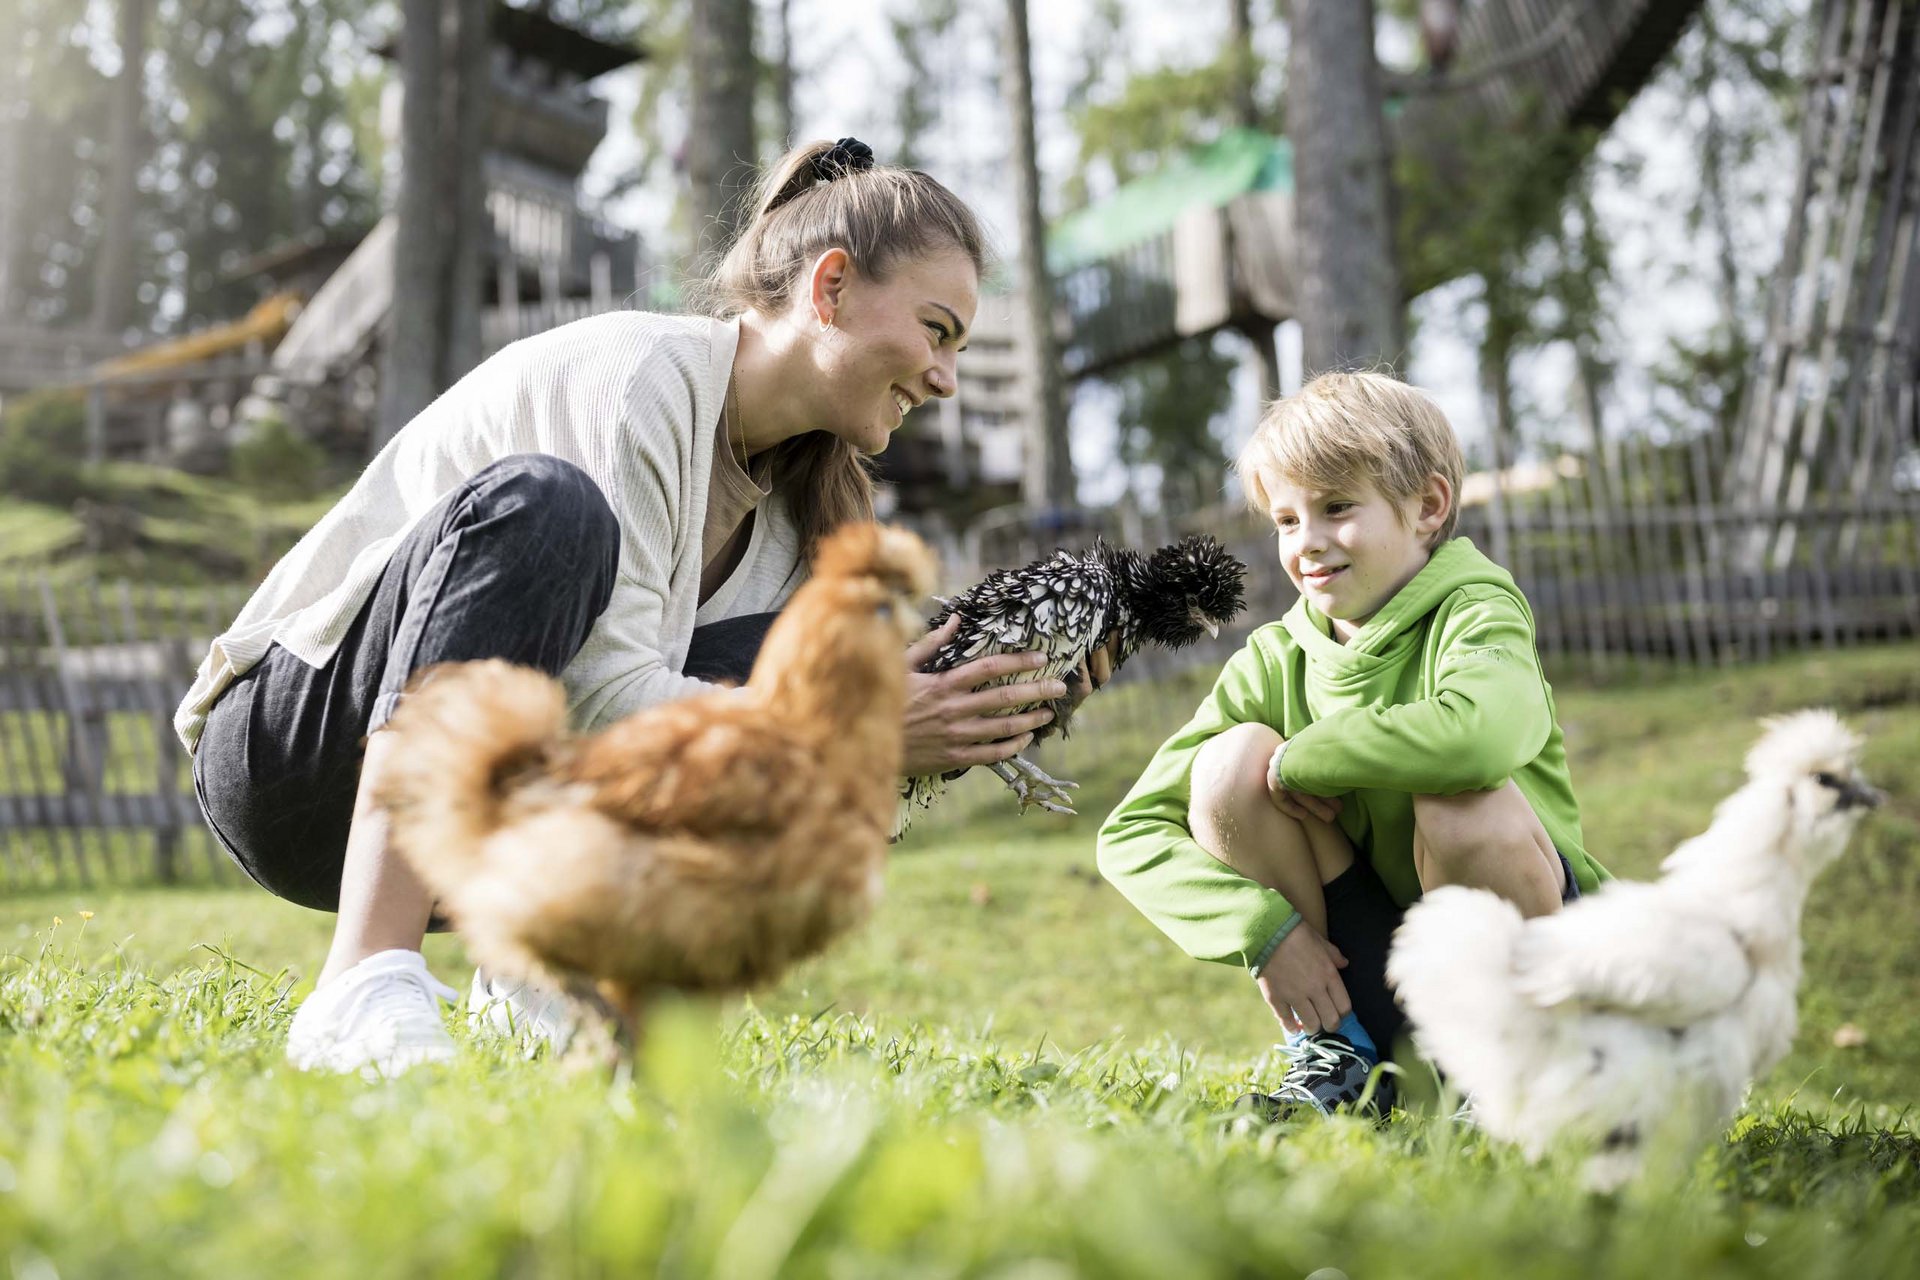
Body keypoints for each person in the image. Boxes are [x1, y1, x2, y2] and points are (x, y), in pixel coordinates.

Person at [180, 138, 1100, 1075]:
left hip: (477, 809)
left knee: (815, 657)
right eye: (937, 331)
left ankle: (549, 997)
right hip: (298, 764)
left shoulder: (808, 511)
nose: (946, 378)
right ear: (830, 289)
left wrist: (1016, 678)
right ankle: (362, 981)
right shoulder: (639, 379)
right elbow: (602, 696)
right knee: (550, 510)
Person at [1096, 370, 1609, 1116]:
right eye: (1286, 519)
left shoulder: (1476, 612)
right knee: (1229, 766)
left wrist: (1306, 757)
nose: (1307, 543)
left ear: (1427, 506)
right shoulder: (1274, 661)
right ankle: (1347, 1062)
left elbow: (1479, 738)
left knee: (1461, 806)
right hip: (1372, 985)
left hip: (1528, 976)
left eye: (1336, 507)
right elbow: (1130, 834)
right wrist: (1264, 932)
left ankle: (1526, 1072)